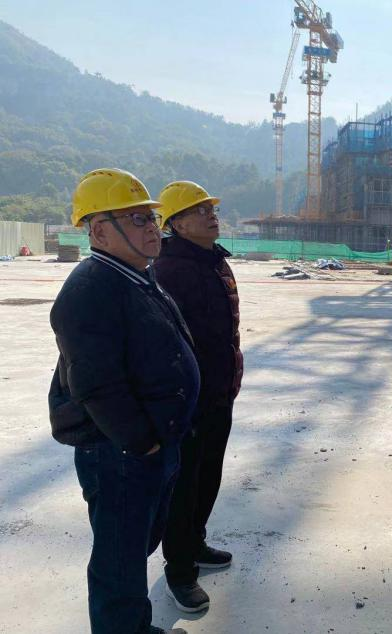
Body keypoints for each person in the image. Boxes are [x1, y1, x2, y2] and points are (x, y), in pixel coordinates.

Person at [48, 168, 199, 634]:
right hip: (119, 451)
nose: (152, 227)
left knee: (133, 547)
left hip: (147, 445)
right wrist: (142, 443)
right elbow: (96, 385)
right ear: (98, 231)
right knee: (119, 558)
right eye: (137, 219)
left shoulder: (135, 276)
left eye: (151, 218)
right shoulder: (90, 289)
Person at [154, 181, 243, 613]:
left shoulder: (212, 260)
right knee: (185, 486)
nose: (211, 215)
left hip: (219, 392)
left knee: (208, 476)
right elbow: (168, 345)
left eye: (211, 208)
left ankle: (196, 542)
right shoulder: (170, 270)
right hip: (189, 401)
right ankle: (180, 569)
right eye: (200, 210)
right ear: (177, 223)